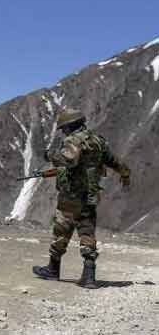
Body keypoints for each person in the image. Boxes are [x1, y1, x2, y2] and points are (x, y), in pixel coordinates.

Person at [33, 109, 130, 288]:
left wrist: (49, 155)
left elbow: (69, 159)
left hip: (71, 195)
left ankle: (53, 269)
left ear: (70, 126)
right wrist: (125, 174)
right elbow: (115, 162)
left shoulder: (73, 140)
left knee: (61, 231)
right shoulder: (98, 141)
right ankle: (89, 276)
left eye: (64, 128)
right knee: (87, 232)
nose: (63, 132)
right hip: (90, 195)